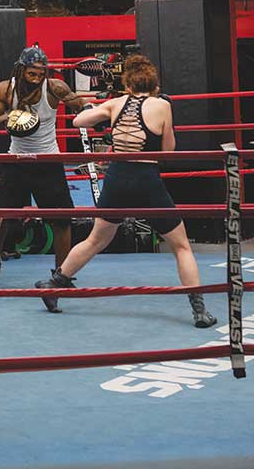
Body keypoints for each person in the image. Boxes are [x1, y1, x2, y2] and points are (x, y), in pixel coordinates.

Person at [33, 54, 217, 328]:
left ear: (128, 85)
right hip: (146, 179)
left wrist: (107, 119)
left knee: (96, 240)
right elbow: (168, 151)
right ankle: (199, 311)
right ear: (154, 84)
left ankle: (54, 285)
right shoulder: (162, 105)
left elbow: (77, 122)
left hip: (118, 178)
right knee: (181, 246)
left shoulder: (116, 103)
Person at [0, 46, 86, 289]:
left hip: (48, 161)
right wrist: (10, 116)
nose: (37, 78)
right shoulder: (5, 90)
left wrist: (93, 114)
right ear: (21, 70)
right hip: (17, 161)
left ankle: (61, 274)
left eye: (41, 74)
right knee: (1, 216)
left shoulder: (55, 88)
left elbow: (80, 105)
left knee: (61, 220)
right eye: (32, 74)